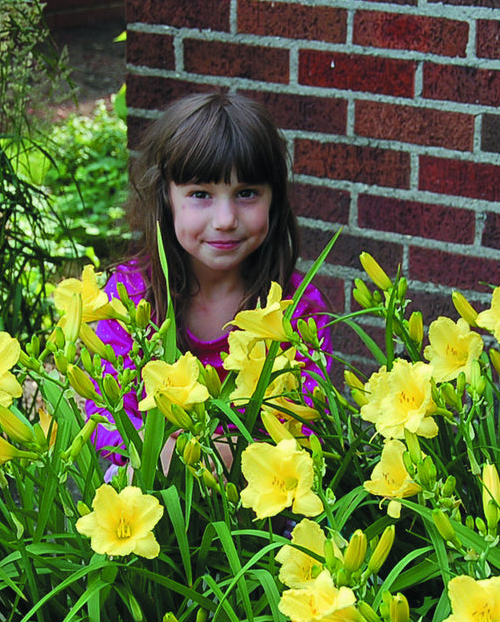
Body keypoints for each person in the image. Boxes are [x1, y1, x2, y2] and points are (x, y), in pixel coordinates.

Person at [84, 91, 332, 469]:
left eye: (246, 193)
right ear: (165, 198)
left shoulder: (297, 308)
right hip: (149, 482)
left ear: (274, 200)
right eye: (201, 194)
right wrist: (164, 455)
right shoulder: (127, 297)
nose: (225, 219)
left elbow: (308, 416)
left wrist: (226, 455)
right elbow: (103, 412)